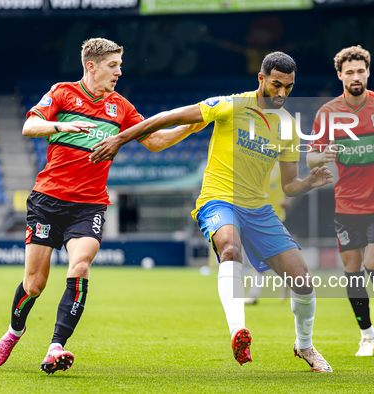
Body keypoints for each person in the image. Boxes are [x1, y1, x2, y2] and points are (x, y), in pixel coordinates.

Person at [89, 52, 334, 372]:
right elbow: (169, 117)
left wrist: (310, 182)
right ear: (261, 79)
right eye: (276, 84)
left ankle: (304, 346)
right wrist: (121, 138)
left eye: (288, 87)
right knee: (230, 247)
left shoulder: (287, 125)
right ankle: (239, 332)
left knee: (303, 282)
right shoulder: (229, 105)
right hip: (218, 199)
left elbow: (290, 186)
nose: (281, 93)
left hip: (258, 209)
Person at [0, 38, 204, 375]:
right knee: (34, 284)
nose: (119, 72)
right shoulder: (62, 93)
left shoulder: (122, 107)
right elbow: (29, 126)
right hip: (47, 200)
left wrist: (194, 123)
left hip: (89, 206)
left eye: (119, 65)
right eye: (112, 65)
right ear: (91, 66)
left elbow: (156, 141)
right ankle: (15, 331)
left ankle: (55, 347)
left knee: (80, 267)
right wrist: (61, 125)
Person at [306, 45, 374, 356]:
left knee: (373, 264)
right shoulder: (328, 113)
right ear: (340, 75)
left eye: (360, 71)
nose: (356, 76)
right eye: (349, 72)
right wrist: (320, 157)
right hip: (347, 204)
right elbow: (311, 157)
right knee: (352, 270)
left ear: (368, 72)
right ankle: (366, 336)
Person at [244, 161, 292, 305]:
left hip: (276, 216)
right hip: (258, 215)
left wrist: (289, 200)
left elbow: (292, 183)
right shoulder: (255, 164)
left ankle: (288, 282)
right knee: (260, 255)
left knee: (273, 257)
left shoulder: (281, 165)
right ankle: (255, 294)